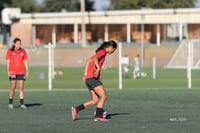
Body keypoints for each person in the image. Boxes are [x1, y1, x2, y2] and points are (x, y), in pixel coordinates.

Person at [71, 40, 117, 121]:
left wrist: (85, 74)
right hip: (92, 78)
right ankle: (98, 115)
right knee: (103, 96)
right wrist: (98, 67)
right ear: (110, 47)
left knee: (95, 100)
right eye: (114, 50)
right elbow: (95, 58)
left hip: (88, 79)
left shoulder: (100, 52)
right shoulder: (103, 52)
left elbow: (88, 61)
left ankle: (76, 109)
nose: (113, 52)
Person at [5, 38, 29, 109]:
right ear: (14, 44)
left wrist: (27, 71)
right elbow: (8, 62)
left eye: (19, 44)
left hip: (21, 72)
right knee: (13, 87)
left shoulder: (23, 51)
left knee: (21, 88)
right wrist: (8, 71)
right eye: (17, 44)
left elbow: (25, 61)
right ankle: (10, 103)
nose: (18, 45)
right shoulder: (10, 51)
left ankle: (22, 104)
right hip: (12, 72)